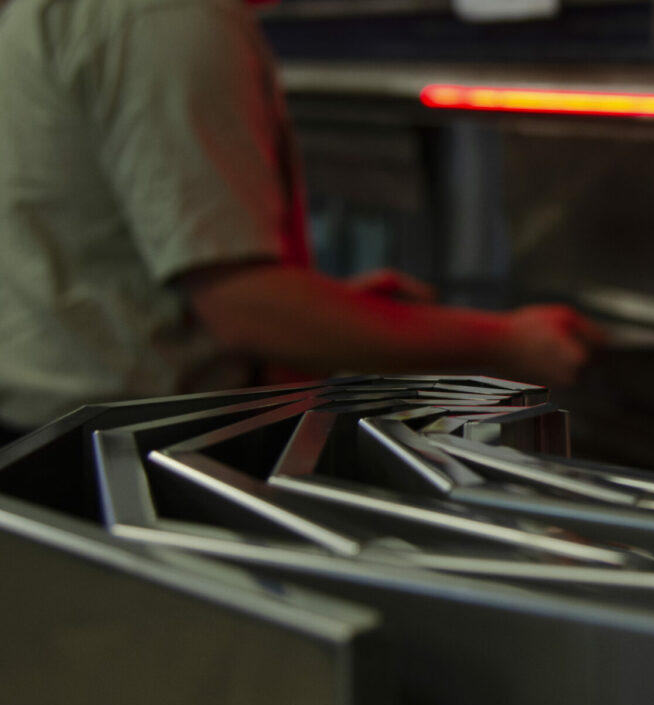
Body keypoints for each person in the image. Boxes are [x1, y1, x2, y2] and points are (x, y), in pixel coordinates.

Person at [0, 0, 602, 445]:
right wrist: (511, 344)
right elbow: (244, 309)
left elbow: (116, 261)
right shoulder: (167, 18)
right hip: (124, 452)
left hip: (59, 431)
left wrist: (335, 314)